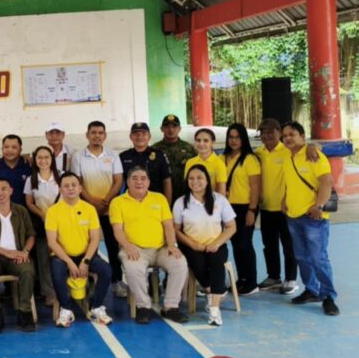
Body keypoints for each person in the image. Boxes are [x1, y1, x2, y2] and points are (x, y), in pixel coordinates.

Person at [110, 166, 189, 324]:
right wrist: (127, 245)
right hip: (135, 249)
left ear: (149, 182)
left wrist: (172, 245)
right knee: (133, 269)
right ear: (127, 181)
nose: (139, 181)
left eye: (143, 178)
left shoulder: (159, 199)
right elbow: (117, 230)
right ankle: (143, 306)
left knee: (180, 264)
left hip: (161, 248)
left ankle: (170, 307)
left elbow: (168, 225)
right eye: (135, 178)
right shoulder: (118, 202)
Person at [281, 121, 339, 316]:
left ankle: (328, 296)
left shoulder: (314, 155)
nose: (288, 138)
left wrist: (319, 207)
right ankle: (311, 290)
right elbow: (291, 182)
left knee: (318, 258)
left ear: (302, 136)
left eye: (292, 134)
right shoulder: (288, 157)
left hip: (314, 217)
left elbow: (326, 182)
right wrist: (284, 199)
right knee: (301, 257)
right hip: (293, 216)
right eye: (285, 135)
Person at [255, 118, 316, 295]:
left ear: (279, 133)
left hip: (285, 208)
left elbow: (308, 148)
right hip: (265, 207)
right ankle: (273, 276)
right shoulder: (258, 153)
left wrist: (313, 146)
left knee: (289, 245)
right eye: (263, 132)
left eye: (271, 131)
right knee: (269, 245)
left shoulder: (288, 151)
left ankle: (290, 279)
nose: (267, 135)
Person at [173, 165, 237, 326]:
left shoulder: (219, 200)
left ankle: (214, 309)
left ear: (207, 181)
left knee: (216, 263)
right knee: (198, 264)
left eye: (199, 178)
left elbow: (231, 226)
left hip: (216, 244)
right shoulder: (181, 202)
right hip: (191, 246)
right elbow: (176, 230)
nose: (195, 182)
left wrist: (217, 243)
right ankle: (212, 290)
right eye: (191, 178)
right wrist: (193, 245)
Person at [46, 173, 113, 327]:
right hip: (62, 257)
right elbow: (52, 242)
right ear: (60, 189)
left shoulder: (89, 209)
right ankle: (66, 310)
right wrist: (69, 262)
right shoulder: (53, 211)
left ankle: (96, 307)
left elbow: (95, 238)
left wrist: (86, 261)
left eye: (74, 185)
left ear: (80, 188)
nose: (70, 188)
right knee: (56, 271)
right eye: (66, 186)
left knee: (106, 270)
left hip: (86, 255)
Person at [69, 121, 126, 297]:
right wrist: (92, 202)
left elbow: (118, 181)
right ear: (87, 135)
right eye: (93, 133)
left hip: (109, 209)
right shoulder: (78, 156)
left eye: (101, 133)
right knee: (87, 246)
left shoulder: (113, 155)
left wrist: (106, 201)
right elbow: (77, 182)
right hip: (86, 208)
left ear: (105, 135)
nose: (97, 136)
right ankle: (87, 281)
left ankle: (117, 281)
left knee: (112, 246)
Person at [0, 178, 37, 334]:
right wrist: (6, 252)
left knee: (28, 270)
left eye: (3, 189)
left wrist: (25, 252)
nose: (0, 193)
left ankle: (24, 312)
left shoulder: (21, 210)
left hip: (18, 256)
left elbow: (31, 235)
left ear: (11, 191)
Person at [221, 123, 262, 295]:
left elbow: (255, 187)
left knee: (245, 244)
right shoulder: (223, 158)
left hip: (246, 206)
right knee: (236, 244)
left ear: (243, 138)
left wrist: (252, 210)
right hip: (228, 207)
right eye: (231, 137)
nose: (234, 140)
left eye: (237, 137)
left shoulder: (250, 159)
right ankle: (241, 279)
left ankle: (251, 282)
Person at [23, 145, 60, 305]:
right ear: (34, 160)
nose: (43, 160)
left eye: (46, 157)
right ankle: (49, 292)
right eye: (40, 157)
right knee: (43, 259)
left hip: (61, 225)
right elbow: (29, 202)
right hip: (41, 224)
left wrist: (54, 215)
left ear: (52, 159)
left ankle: (66, 289)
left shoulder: (61, 177)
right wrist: (42, 214)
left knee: (61, 257)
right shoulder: (31, 179)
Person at [119, 122, 172, 204]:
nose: (140, 136)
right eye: (136, 134)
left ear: (149, 136)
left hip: (155, 203)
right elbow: (120, 182)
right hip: (130, 203)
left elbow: (166, 181)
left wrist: (167, 205)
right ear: (130, 137)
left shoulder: (159, 155)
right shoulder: (123, 157)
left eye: (144, 133)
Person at [153, 114, 196, 204]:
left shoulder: (189, 148)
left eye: (174, 126)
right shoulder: (154, 150)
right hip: (161, 195)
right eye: (167, 126)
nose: (171, 129)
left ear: (179, 129)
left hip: (185, 194)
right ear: (161, 129)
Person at [0, 134, 31, 207]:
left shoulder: (28, 166)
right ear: (2, 149)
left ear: (20, 150)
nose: (9, 150)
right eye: (6, 147)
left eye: (14, 147)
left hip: (26, 214)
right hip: (2, 213)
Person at [184, 129, 227, 195]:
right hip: (193, 203)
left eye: (206, 140)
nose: (201, 144)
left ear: (212, 143)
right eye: (198, 140)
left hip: (212, 203)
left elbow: (221, 192)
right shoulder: (190, 162)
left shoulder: (219, 163)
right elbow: (187, 187)